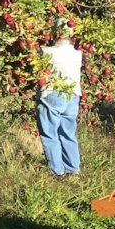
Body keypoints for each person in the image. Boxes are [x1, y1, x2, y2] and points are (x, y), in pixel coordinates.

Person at [37, 17, 82, 178]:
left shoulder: (47, 52)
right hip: (73, 95)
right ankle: (73, 170)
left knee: (50, 133)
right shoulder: (78, 53)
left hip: (52, 94)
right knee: (68, 133)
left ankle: (57, 172)